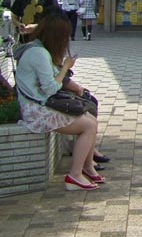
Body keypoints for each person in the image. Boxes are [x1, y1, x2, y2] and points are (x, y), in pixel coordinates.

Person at [13, 13, 104, 190]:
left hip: (39, 105)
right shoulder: (39, 53)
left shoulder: (37, 49)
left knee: (90, 120)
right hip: (36, 110)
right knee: (89, 126)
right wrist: (65, 67)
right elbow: (50, 87)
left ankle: (87, 166)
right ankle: (75, 175)